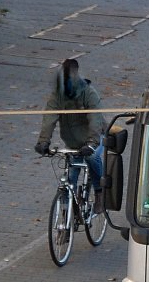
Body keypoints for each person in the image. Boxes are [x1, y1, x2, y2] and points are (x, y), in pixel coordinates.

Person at [34, 58, 107, 212]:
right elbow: (49, 117)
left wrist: (92, 143)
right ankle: (66, 217)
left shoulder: (88, 93)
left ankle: (100, 193)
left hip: (93, 139)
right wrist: (43, 142)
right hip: (72, 143)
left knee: (92, 158)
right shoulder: (58, 95)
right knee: (70, 177)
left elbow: (95, 119)